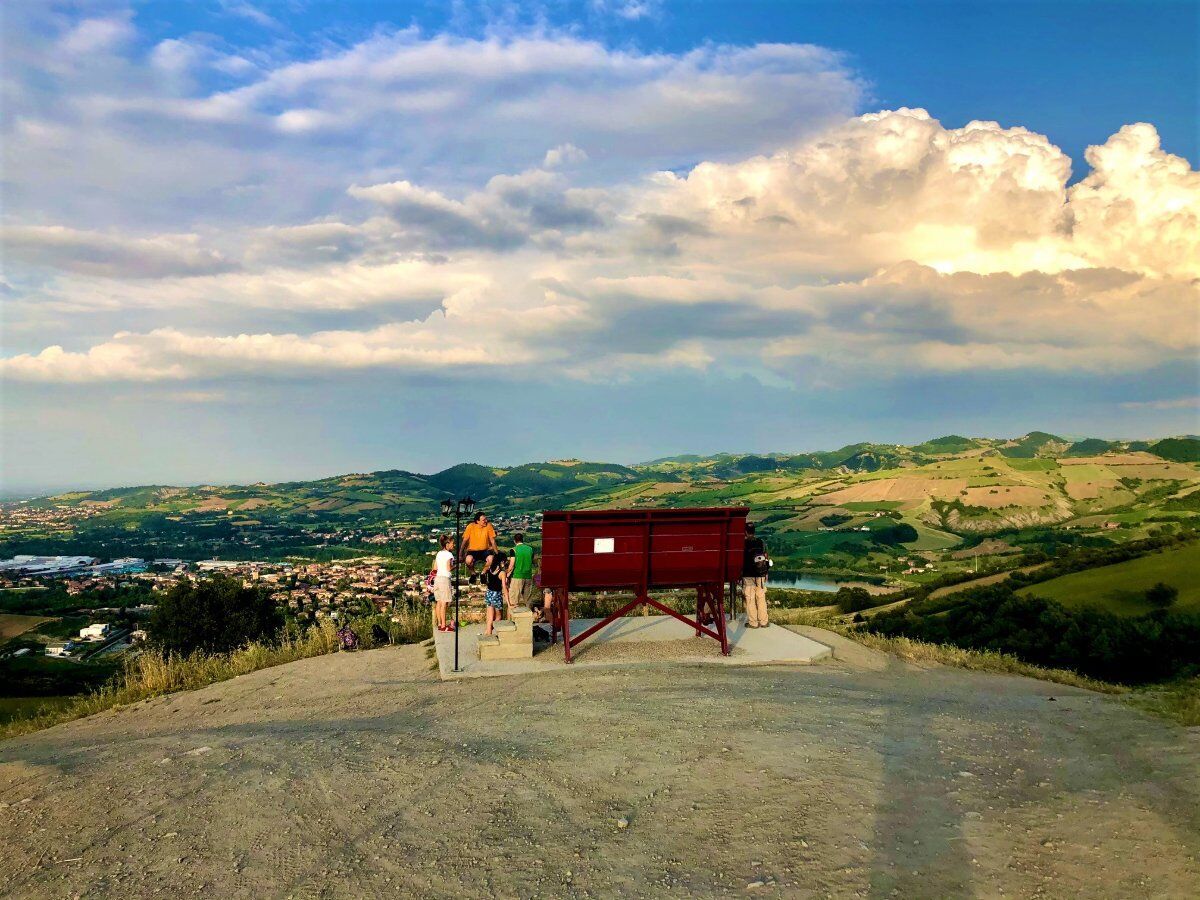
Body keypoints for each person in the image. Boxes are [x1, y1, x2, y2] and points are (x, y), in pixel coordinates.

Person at [741, 522, 771, 628]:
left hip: (748, 574)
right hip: (760, 573)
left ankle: (753, 622)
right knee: (761, 596)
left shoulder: (742, 543)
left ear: (745, 532)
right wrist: (766, 572)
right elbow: (766, 557)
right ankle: (763, 621)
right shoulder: (761, 542)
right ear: (754, 531)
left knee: (750, 598)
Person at [460, 512, 498, 583]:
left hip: (485, 550)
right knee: (468, 560)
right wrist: (460, 554)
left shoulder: (488, 526)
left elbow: (493, 541)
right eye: (483, 520)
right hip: (472, 550)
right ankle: (473, 573)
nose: (486, 521)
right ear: (477, 521)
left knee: (491, 559)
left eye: (486, 519)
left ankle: (483, 573)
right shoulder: (471, 526)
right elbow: (464, 541)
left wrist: (497, 553)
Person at [506, 532, 536, 609]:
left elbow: (512, 565)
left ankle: (514, 618)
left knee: (514, 599)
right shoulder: (530, 549)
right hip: (528, 575)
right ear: (523, 540)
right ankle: (530, 615)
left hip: (517, 576)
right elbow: (532, 561)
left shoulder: (513, 550)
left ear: (514, 541)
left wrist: (506, 573)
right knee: (528, 599)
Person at [433, 534, 455, 633]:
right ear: (447, 544)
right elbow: (448, 568)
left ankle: (439, 624)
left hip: (437, 578)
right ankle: (443, 625)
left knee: (438, 602)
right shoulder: (449, 555)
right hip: (445, 579)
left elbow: (435, 568)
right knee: (444, 603)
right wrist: (456, 565)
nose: (453, 545)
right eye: (452, 543)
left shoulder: (439, 553)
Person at [483, 551, 508, 635]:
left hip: (489, 593)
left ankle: (487, 634)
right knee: (499, 617)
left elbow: (485, 578)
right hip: (496, 595)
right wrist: (509, 603)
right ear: (502, 562)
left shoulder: (490, 568)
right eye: (505, 561)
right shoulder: (502, 573)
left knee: (490, 618)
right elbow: (504, 588)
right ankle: (488, 633)